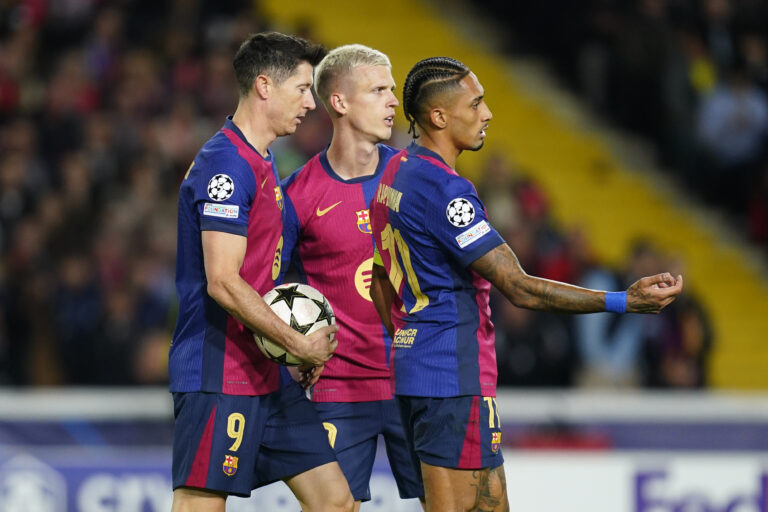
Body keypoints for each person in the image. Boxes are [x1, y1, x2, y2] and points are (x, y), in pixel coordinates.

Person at [368, 56, 684, 512]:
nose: (487, 113)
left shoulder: (392, 175)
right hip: (451, 378)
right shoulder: (445, 190)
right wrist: (623, 301)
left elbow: (379, 278)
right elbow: (520, 287)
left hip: (424, 370)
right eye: (475, 104)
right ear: (438, 116)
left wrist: (405, 339)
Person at [168, 32, 353, 512]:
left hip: (267, 371)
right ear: (265, 86)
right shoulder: (226, 166)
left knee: (337, 502)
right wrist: (297, 342)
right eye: (302, 89)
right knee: (200, 505)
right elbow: (223, 281)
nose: (311, 103)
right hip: (219, 370)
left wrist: (287, 349)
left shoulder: (264, 161)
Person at [280, 44, 425, 511]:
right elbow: (269, 286)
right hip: (337, 386)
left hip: (418, 381)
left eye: (392, 89)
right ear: (339, 102)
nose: (393, 101)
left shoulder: (420, 180)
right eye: (378, 89)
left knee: (452, 506)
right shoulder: (297, 195)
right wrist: (289, 349)